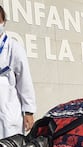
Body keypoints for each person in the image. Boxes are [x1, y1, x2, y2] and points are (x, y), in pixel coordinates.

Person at [0, 5, 36, 139]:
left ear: (4, 22)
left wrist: (28, 111)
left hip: (8, 110)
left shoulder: (14, 48)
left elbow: (25, 81)